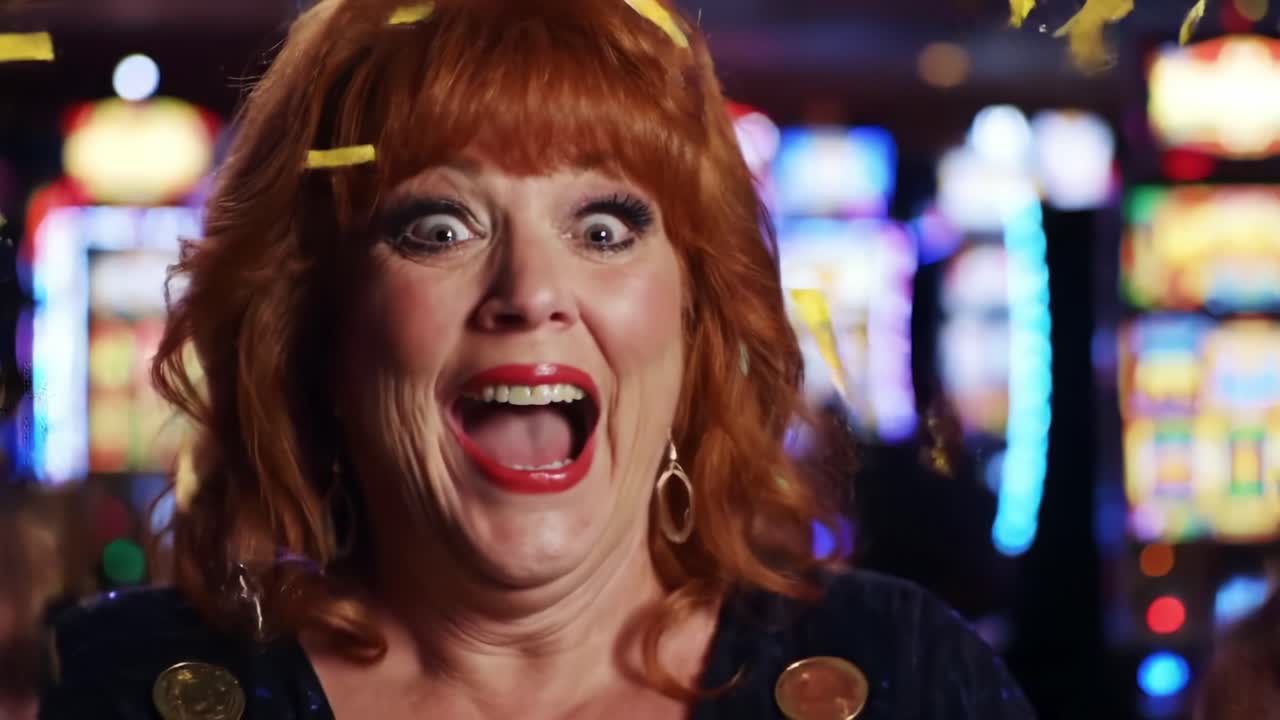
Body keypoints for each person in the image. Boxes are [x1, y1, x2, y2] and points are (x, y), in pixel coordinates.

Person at [40, 0, 1036, 717]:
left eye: (602, 229)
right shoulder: (128, 686)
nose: (529, 292)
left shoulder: (907, 673)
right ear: (318, 329)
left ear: (694, 323)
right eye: (438, 227)